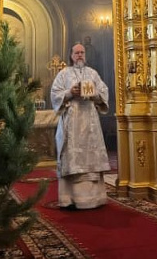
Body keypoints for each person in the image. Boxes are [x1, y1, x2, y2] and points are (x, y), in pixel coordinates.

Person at [51, 43, 111, 209]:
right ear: (71, 56)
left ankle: (94, 198)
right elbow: (55, 94)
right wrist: (70, 92)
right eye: (76, 53)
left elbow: (103, 93)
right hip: (72, 122)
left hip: (90, 122)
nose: (79, 55)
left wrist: (95, 95)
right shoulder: (64, 74)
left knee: (90, 159)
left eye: (82, 52)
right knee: (72, 158)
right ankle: (70, 199)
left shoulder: (93, 73)